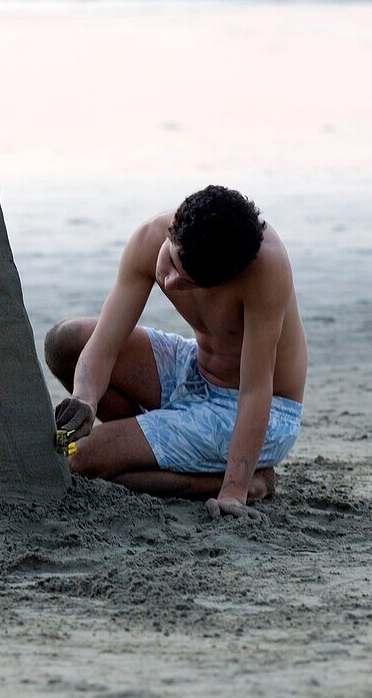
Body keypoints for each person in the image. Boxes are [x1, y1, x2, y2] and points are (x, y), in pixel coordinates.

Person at [45, 185, 308, 521]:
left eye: (188, 282)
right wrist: (85, 398)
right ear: (174, 227)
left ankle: (244, 481)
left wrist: (234, 491)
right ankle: (136, 446)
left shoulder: (265, 270)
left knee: (76, 458)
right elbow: (104, 343)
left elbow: (256, 389)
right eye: (170, 261)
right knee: (63, 342)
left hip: (259, 409)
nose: (169, 282)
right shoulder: (150, 237)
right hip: (191, 367)